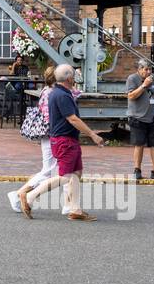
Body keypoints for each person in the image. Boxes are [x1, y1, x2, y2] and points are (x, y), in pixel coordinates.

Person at [21, 64, 104, 221]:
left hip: (67, 139)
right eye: (74, 75)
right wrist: (93, 134)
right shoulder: (62, 95)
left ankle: (75, 209)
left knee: (76, 173)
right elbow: (72, 118)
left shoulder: (58, 92)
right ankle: (30, 196)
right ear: (70, 78)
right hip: (64, 140)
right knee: (65, 176)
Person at [10, 66, 59, 214]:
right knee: (48, 171)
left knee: (52, 171)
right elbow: (49, 116)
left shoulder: (47, 90)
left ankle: (21, 194)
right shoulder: (51, 93)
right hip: (51, 134)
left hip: (48, 135)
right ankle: (19, 194)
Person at [126, 59, 154, 181]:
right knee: (139, 144)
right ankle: (137, 170)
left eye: (150, 69)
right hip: (137, 117)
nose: (148, 72)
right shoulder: (132, 79)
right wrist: (144, 85)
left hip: (152, 117)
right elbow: (131, 96)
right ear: (139, 69)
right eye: (146, 69)